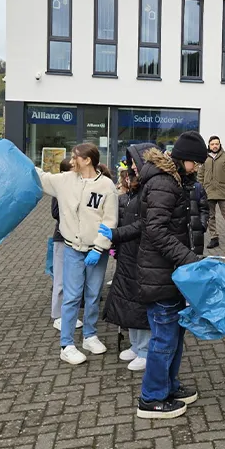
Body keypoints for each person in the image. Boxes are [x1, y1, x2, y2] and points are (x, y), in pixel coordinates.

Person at [135, 131, 207, 419]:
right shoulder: (164, 182)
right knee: (164, 339)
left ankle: (168, 386)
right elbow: (156, 230)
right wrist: (189, 259)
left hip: (171, 273)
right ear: (184, 159)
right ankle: (151, 398)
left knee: (175, 334)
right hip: (161, 274)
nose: (198, 168)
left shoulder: (175, 180)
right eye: (196, 163)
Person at [36, 143, 118, 365]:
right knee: (72, 297)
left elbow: (110, 221)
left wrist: (100, 247)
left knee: (93, 295)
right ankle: (67, 344)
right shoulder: (65, 181)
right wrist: (18, 161)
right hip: (72, 248)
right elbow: (41, 178)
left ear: (87, 160)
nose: (72, 161)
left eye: (75, 157)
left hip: (96, 252)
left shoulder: (107, 186)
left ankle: (90, 336)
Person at [100, 143, 156, 372]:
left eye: (134, 161)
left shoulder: (150, 188)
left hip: (142, 253)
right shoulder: (136, 187)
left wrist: (117, 234)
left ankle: (145, 350)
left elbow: (144, 224)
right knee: (128, 301)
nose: (131, 165)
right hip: (129, 252)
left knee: (139, 304)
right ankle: (135, 344)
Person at [50, 158, 83, 332]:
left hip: (77, 239)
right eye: (72, 167)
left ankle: (69, 314)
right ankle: (58, 315)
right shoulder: (60, 187)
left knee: (73, 279)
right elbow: (55, 212)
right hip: (62, 237)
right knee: (61, 279)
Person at [198, 135, 225, 249]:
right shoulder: (204, 158)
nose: (215, 146)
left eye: (217, 144)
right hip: (208, 192)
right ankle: (214, 238)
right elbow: (200, 175)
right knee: (210, 217)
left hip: (223, 193)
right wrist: (201, 190)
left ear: (220, 144)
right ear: (209, 145)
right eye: (212, 144)